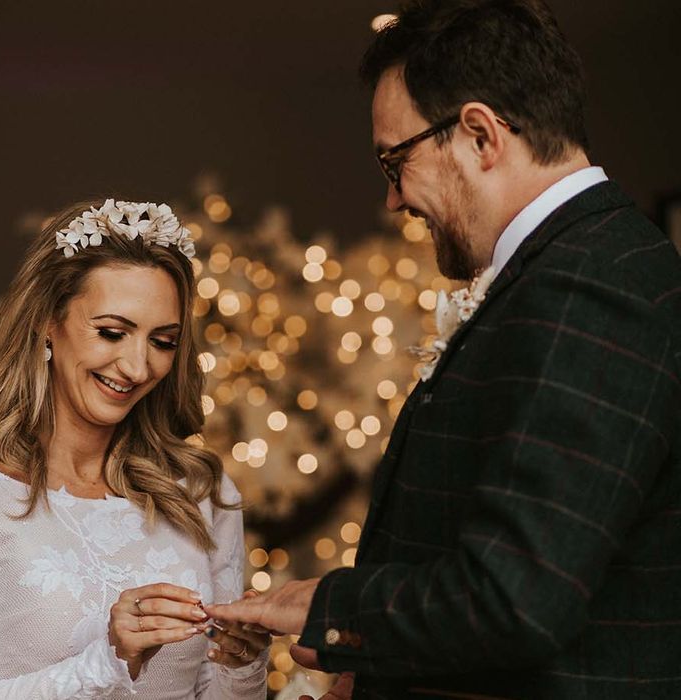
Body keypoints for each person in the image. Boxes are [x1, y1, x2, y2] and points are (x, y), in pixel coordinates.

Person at [207, 1, 681, 698]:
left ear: (481, 136)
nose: (394, 201)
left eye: (395, 162)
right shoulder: (570, 267)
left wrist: (332, 610)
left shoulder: (589, 286)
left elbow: (514, 597)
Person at [0, 199, 269, 698]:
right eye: (111, 333)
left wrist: (243, 666)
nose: (137, 366)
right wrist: (105, 661)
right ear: (48, 322)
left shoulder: (200, 491)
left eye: (163, 341)